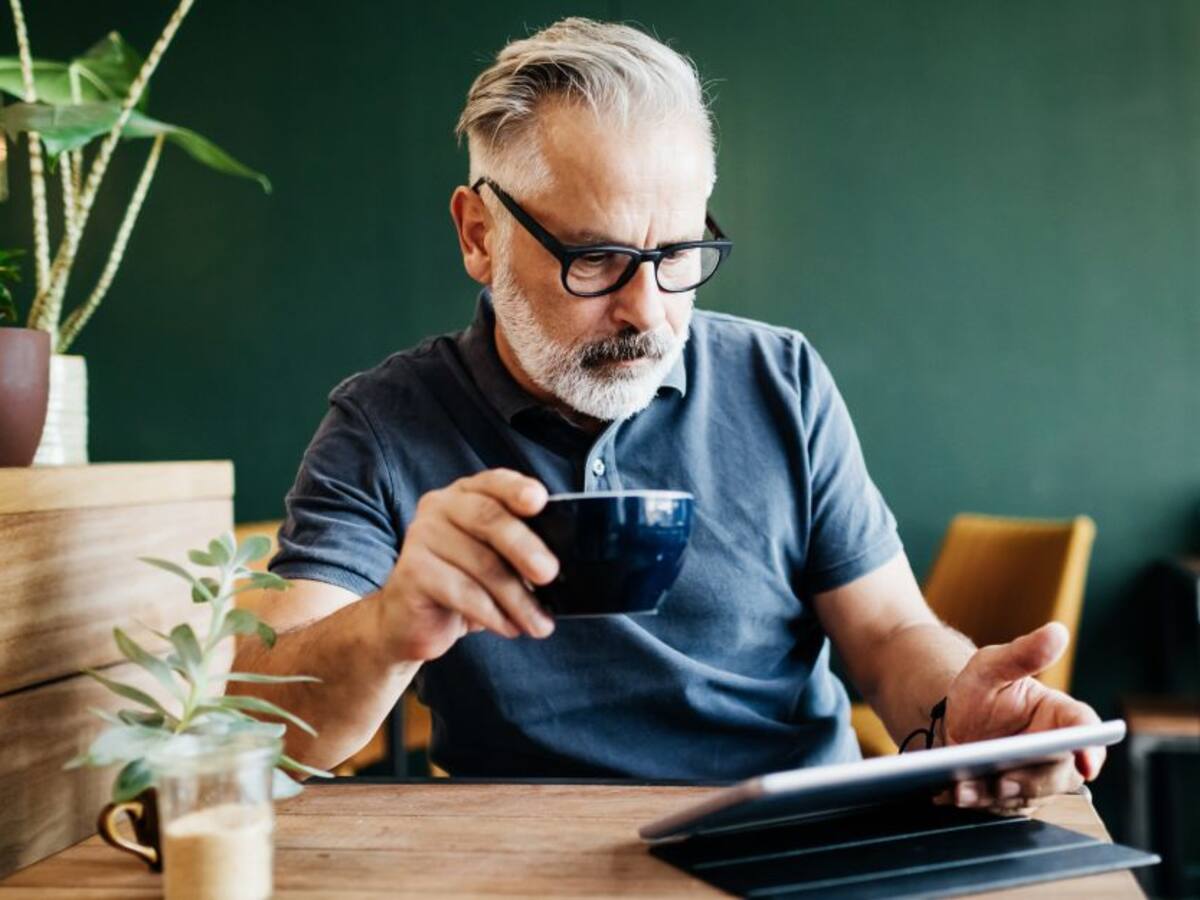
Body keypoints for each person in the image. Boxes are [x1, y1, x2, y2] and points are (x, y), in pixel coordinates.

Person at [237, 17, 1104, 810]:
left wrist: (964, 706)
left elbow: (886, 633)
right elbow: (259, 721)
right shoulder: (385, 425)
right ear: (479, 235)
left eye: (679, 252)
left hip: (792, 832)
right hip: (521, 851)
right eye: (599, 258)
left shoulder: (781, 378)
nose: (648, 312)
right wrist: (391, 624)